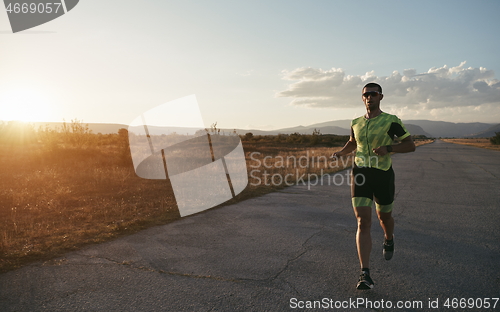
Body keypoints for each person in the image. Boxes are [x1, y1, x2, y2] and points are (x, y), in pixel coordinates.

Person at [333, 82, 415, 290]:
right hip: (360, 173)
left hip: (383, 175)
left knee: (384, 217)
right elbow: (353, 142)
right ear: (362, 98)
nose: (369, 97)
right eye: (366, 94)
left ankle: (389, 238)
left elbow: (410, 145)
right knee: (363, 221)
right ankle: (365, 273)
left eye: (373, 94)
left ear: (381, 97)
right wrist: (342, 153)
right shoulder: (355, 122)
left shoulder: (391, 121)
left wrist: (388, 148)